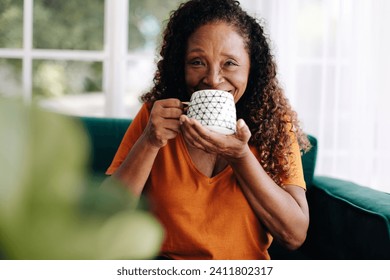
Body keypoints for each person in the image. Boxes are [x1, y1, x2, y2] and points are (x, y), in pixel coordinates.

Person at [105, 0, 311, 260]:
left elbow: (294, 235)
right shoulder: (154, 118)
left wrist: (241, 156)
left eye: (230, 64)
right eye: (197, 62)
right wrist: (149, 141)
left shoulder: (275, 125)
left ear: (252, 68)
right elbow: (103, 218)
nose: (213, 79)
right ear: (180, 66)